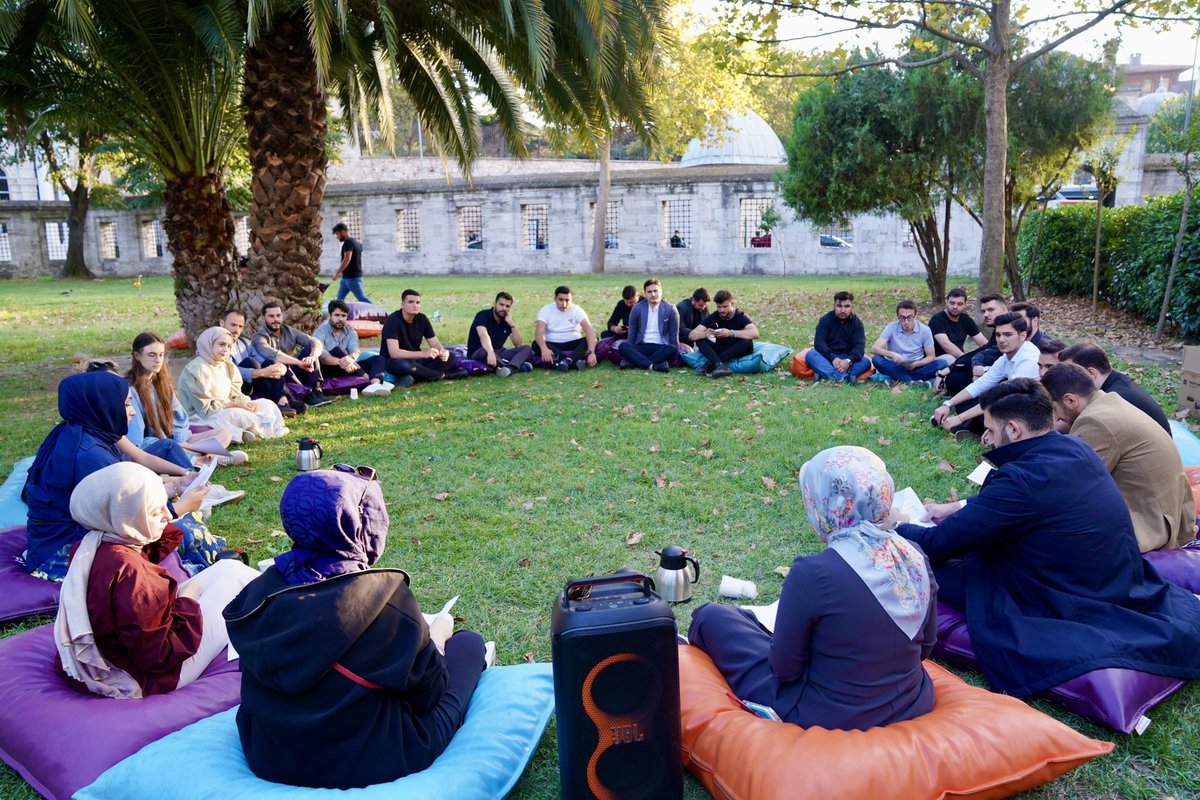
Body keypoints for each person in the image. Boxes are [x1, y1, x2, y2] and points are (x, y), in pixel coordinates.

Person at [898, 379, 1200, 698]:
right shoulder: (1075, 447)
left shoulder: (1021, 480)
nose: (986, 437)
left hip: (1062, 589)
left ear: (1014, 429)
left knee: (921, 564)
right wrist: (964, 508)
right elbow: (1023, 505)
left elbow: (936, 544)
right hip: (1110, 576)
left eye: (989, 427)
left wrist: (899, 525)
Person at [225, 468, 489, 790]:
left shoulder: (257, 594)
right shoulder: (386, 602)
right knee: (470, 645)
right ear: (363, 525)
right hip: (370, 760)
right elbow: (429, 694)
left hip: (267, 754)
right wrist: (436, 636)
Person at [689, 446, 936, 730]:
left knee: (711, 617)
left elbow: (784, 670)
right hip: (912, 700)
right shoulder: (913, 555)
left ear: (824, 503)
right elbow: (926, 647)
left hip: (828, 713)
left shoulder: (814, 573)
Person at [55, 463, 259, 698]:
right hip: (147, 676)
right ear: (125, 519)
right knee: (239, 585)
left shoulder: (92, 544)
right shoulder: (131, 574)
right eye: (155, 512)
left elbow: (143, 553)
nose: (166, 514)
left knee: (229, 567)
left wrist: (175, 510)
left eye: (165, 505)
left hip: (116, 654)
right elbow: (161, 655)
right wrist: (187, 601)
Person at [22, 372, 203, 581]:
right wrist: (179, 507)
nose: (133, 412)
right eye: (127, 404)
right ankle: (192, 570)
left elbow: (126, 494)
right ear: (101, 405)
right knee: (182, 532)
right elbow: (128, 522)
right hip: (63, 553)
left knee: (183, 523)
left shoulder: (85, 430)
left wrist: (178, 485)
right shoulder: (89, 455)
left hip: (60, 539)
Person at [1042, 364, 1195, 552]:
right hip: (1169, 513)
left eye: (1054, 409)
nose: (1054, 416)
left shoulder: (1095, 422)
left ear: (1070, 400)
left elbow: (1070, 486)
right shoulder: (1108, 402)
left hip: (1150, 527)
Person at [126, 332, 246, 469]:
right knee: (169, 446)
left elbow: (179, 421)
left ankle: (200, 457)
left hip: (179, 441)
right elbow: (137, 441)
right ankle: (209, 459)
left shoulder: (162, 384)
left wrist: (182, 442)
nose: (158, 360)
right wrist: (175, 445)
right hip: (154, 446)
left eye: (161, 354)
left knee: (224, 433)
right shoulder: (131, 390)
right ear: (137, 356)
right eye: (152, 355)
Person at [178, 327, 290, 443]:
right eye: (221, 344)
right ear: (209, 344)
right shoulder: (196, 370)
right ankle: (242, 434)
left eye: (229, 346)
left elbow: (235, 393)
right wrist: (236, 405)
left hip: (227, 407)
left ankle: (269, 430)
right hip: (202, 417)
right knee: (235, 414)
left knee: (266, 404)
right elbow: (205, 409)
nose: (225, 350)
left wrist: (246, 403)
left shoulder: (227, 366)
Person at [933, 313, 1039, 435]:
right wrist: (948, 404)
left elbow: (1004, 398)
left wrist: (960, 418)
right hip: (1012, 404)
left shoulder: (1028, 359)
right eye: (998, 335)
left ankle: (966, 427)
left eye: (1008, 335)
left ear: (1022, 335)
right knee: (969, 402)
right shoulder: (1006, 357)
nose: (1001, 340)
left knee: (986, 416)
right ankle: (970, 428)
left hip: (1029, 411)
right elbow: (981, 384)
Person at [1058, 342, 1171, 434]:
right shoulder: (1117, 382)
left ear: (1091, 373)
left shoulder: (1114, 398)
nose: (1067, 379)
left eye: (1072, 373)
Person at [251, 301, 333, 408]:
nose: (275, 319)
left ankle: (317, 391)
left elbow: (315, 341)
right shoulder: (259, 337)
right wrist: (299, 362)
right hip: (276, 376)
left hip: (295, 371)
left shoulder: (289, 331)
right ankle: (305, 396)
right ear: (263, 318)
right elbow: (274, 355)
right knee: (277, 363)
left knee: (310, 349)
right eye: (271, 316)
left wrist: (312, 357)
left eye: (278, 315)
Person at [382, 290, 467, 383]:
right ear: (402, 305)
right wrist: (424, 354)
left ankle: (417, 376)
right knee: (404, 366)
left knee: (451, 357)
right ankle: (443, 375)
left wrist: (443, 352)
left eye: (418, 302)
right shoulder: (392, 320)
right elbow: (394, 353)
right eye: (411, 302)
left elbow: (434, 343)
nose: (415, 305)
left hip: (416, 361)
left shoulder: (422, 319)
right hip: (395, 361)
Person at [219, 309, 292, 415]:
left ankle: (283, 402)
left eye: (240, 326)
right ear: (222, 323)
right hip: (232, 388)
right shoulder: (214, 345)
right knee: (251, 363)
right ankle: (283, 401)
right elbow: (225, 371)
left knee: (271, 361)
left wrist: (279, 367)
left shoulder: (245, 343)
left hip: (252, 385)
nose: (236, 330)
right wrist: (260, 372)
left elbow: (263, 361)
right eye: (233, 325)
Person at [314, 300, 394, 395]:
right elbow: (324, 358)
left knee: (380, 358)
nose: (340, 319)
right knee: (337, 351)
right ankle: (369, 380)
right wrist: (345, 362)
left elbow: (355, 351)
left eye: (343, 316)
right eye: (337, 315)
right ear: (329, 316)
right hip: (329, 367)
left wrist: (350, 358)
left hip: (350, 367)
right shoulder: (320, 331)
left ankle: (375, 384)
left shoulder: (351, 332)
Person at [939, 294, 1009, 397]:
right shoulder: (998, 328)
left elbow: (988, 352)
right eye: (984, 311)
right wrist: (951, 368)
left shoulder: (1011, 329)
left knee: (954, 378)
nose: (986, 314)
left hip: (1004, 376)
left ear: (1003, 309)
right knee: (954, 376)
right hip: (989, 370)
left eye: (990, 310)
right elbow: (985, 348)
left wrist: (950, 369)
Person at [689, 290, 758, 378]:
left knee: (747, 342)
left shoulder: (740, 316)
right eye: (719, 307)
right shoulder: (715, 316)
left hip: (737, 347)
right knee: (700, 340)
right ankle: (720, 365)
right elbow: (692, 335)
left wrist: (730, 333)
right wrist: (706, 334)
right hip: (722, 347)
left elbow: (755, 333)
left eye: (725, 307)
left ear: (732, 304)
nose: (721, 310)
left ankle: (711, 364)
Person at [869, 300, 940, 385]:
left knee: (942, 363)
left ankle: (899, 378)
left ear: (915, 316)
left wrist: (916, 364)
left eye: (909, 317)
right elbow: (874, 348)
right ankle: (911, 381)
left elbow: (931, 356)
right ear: (898, 317)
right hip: (894, 365)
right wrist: (892, 354)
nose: (906, 322)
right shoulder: (891, 327)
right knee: (876, 359)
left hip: (917, 366)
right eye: (902, 318)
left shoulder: (925, 330)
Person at [808, 291, 870, 383]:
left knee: (866, 362)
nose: (843, 310)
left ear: (852, 306)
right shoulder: (825, 320)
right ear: (834, 306)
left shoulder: (857, 323)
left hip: (848, 358)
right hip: (828, 357)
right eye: (839, 306)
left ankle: (826, 374)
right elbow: (819, 344)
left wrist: (848, 361)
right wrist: (833, 358)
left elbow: (859, 347)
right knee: (811, 355)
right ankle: (845, 377)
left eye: (847, 306)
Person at [467, 291, 532, 377]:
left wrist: (512, 325)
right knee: (483, 351)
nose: (504, 308)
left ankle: (509, 369)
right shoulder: (482, 315)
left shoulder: (506, 320)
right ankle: (516, 366)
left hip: (499, 352)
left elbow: (518, 344)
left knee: (526, 348)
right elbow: (483, 335)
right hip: (480, 351)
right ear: (495, 304)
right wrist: (490, 352)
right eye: (501, 305)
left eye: (507, 306)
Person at [620, 278, 679, 372]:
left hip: (661, 347)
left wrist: (676, 354)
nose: (653, 294)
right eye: (649, 292)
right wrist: (630, 351)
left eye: (655, 291)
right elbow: (632, 332)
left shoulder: (670, 309)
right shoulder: (637, 308)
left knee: (672, 349)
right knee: (623, 346)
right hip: (642, 345)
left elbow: (674, 334)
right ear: (645, 294)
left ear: (661, 292)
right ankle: (653, 366)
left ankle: (635, 362)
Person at [534, 286, 599, 372]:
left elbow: (589, 330)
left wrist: (591, 352)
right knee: (535, 344)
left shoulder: (577, 309)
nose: (564, 304)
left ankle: (565, 362)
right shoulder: (545, 310)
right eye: (560, 300)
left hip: (573, 342)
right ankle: (574, 362)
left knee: (594, 338)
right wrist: (544, 349)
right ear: (555, 299)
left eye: (567, 300)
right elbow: (539, 332)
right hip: (553, 344)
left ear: (571, 299)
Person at [928, 288, 987, 367]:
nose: (955, 307)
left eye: (959, 304)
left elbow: (983, 342)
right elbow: (946, 345)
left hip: (958, 359)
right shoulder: (937, 320)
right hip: (939, 360)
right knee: (951, 358)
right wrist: (965, 359)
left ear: (965, 305)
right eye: (952, 303)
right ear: (947, 302)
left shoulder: (966, 319)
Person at [330, 222, 372, 303]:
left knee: (362, 298)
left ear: (343, 231)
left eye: (337, 234)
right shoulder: (355, 242)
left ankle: (379, 313)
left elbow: (347, 259)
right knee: (340, 298)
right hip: (346, 277)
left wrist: (337, 273)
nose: (337, 237)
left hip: (352, 278)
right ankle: (342, 314)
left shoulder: (348, 242)